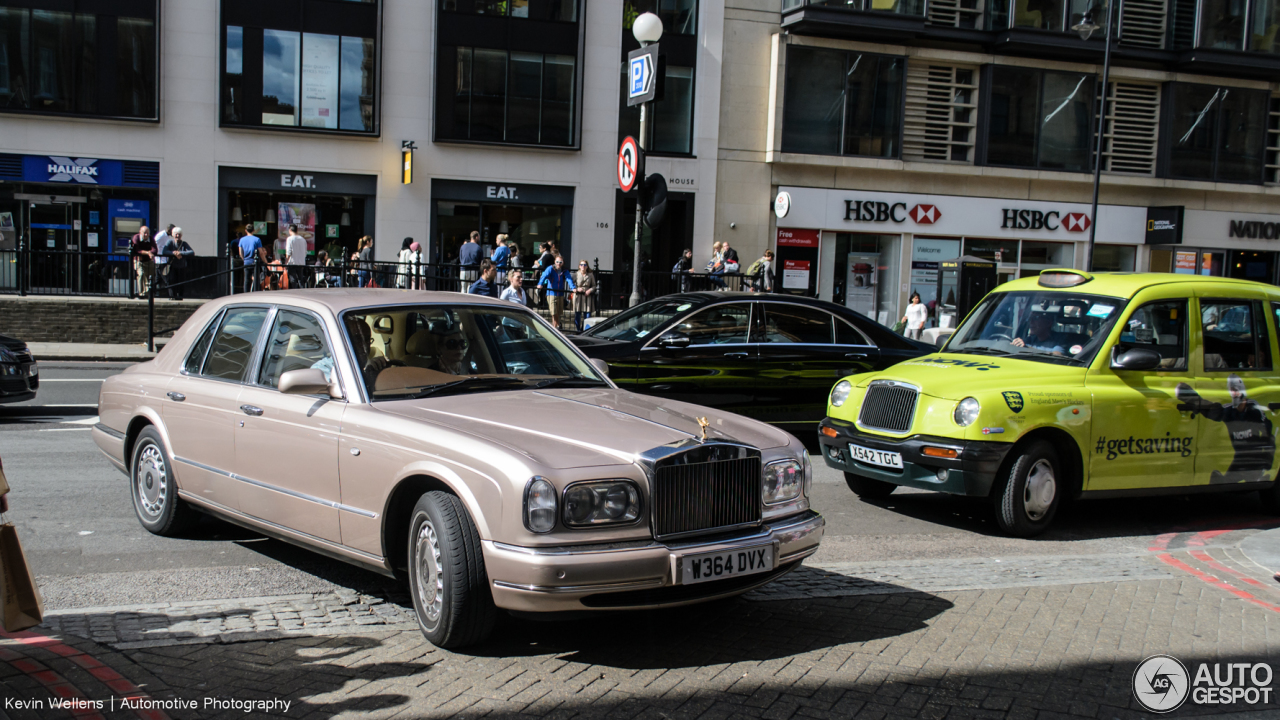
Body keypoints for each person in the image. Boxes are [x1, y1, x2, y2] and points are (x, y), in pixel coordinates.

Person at [538, 256, 576, 329]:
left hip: (560, 293)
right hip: (551, 293)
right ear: (555, 262)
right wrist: (540, 283)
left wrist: (573, 287)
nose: (559, 264)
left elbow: (569, 279)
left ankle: (557, 325)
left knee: (558, 312)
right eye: (557, 262)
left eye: (560, 262)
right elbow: (544, 276)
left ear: (563, 263)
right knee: (553, 312)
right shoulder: (550, 268)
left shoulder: (564, 270)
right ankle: (556, 327)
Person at [165, 228, 193, 300]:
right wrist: (173, 253)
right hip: (172, 266)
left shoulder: (184, 243)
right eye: (176, 234)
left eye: (179, 234)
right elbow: (164, 251)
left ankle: (180, 296)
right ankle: (172, 296)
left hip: (181, 266)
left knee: (181, 282)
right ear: (173, 235)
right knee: (171, 281)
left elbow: (191, 252)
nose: (177, 236)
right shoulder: (170, 242)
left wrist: (181, 253)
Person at [238, 224, 265, 293]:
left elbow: (240, 253)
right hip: (255, 262)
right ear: (253, 230)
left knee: (246, 279)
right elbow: (261, 252)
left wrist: (244, 259)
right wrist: (265, 261)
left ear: (245, 230)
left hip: (246, 262)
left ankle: (246, 294)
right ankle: (256, 293)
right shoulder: (257, 239)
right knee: (256, 279)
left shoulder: (242, 240)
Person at [130, 225, 156, 298]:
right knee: (141, 274)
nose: (146, 235)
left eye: (147, 233)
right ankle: (141, 294)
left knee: (150, 276)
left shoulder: (150, 238)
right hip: (139, 260)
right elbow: (136, 250)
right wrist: (148, 253)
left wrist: (150, 253)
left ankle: (148, 293)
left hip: (148, 261)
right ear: (140, 232)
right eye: (144, 233)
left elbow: (155, 249)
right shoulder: (136, 237)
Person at [572, 260, 597, 332]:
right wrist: (576, 289)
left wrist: (590, 290)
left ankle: (584, 330)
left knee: (587, 316)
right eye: (581, 264)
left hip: (587, 297)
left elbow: (594, 285)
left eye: (585, 265)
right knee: (577, 315)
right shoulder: (576, 274)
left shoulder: (590, 274)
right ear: (579, 266)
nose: (583, 266)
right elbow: (571, 284)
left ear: (587, 266)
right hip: (578, 296)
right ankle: (578, 330)